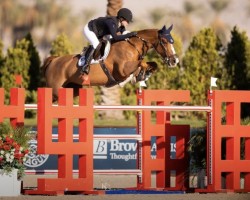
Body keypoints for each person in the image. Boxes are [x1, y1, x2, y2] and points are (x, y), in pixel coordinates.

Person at [81, 8, 137, 74]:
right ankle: (85, 65)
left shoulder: (121, 25)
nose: (128, 23)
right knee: (96, 44)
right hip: (89, 29)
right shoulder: (111, 22)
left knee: (108, 44)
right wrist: (129, 35)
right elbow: (116, 37)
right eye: (127, 21)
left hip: (100, 33)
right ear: (121, 18)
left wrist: (131, 36)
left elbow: (124, 33)